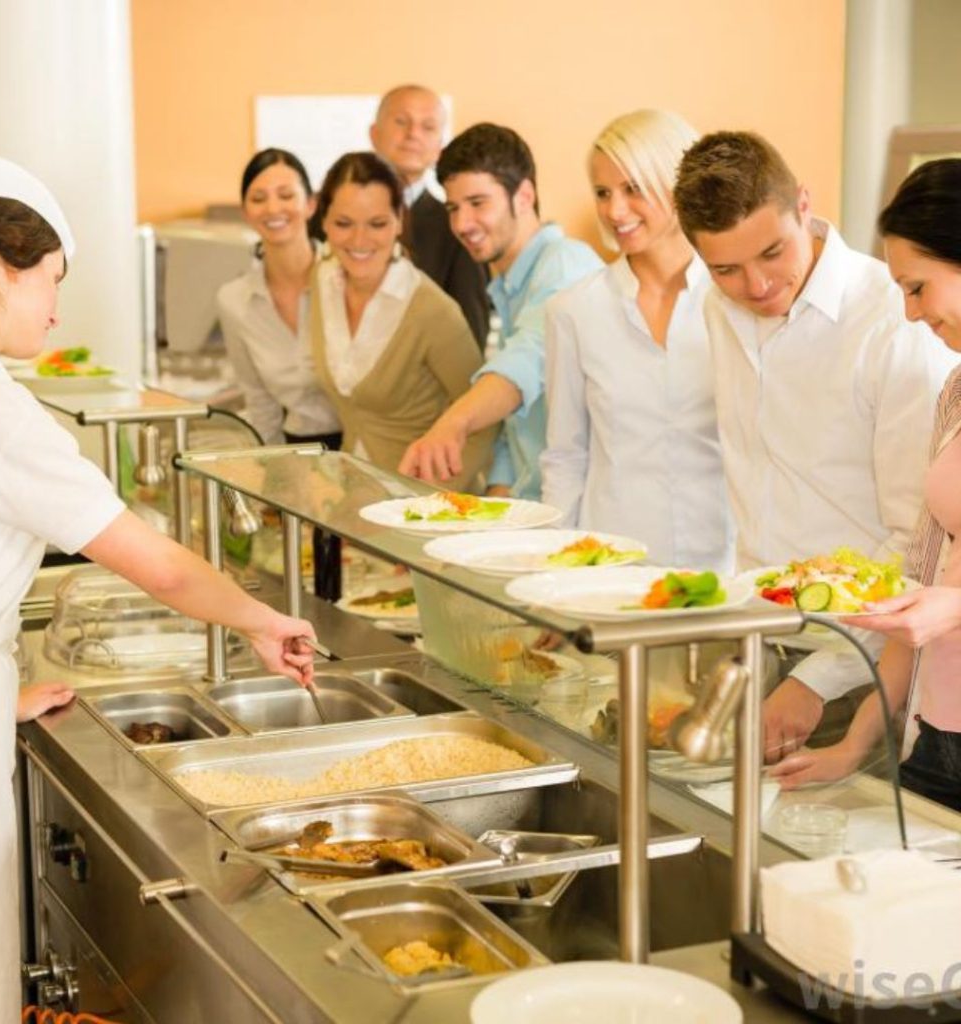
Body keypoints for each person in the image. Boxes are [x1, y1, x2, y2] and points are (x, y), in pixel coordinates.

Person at [0, 155, 317, 1024]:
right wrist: (265, 622)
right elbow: (159, 564)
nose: (57, 306)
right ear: (2, 266)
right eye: (53, 280)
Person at [672, 131, 956, 762]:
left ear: (804, 204)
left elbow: (918, 538)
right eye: (725, 269)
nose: (756, 284)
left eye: (772, 252)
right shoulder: (719, 311)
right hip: (758, 640)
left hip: (858, 667)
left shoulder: (899, 320)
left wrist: (817, 678)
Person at [771, 158, 961, 809]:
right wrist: (855, 745)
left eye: (918, 288)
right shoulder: (956, 392)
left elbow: (944, 601)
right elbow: (924, 575)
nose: (909, 315)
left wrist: (953, 606)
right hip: (940, 734)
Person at [541, 110, 734, 570]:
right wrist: (551, 574)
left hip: (729, 568)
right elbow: (565, 457)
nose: (614, 211)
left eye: (633, 189)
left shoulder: (735, 302)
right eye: (603, 193)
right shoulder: (574, 311)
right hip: (613, 570)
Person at [398, 123, 602, 498]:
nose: (461, 224)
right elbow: (519, 429)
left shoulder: (565, 264)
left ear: (524, 196)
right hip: (537, 512)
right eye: (453, 208)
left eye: (478, 203)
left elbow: (528, 360)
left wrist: (452, 424)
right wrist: (490, 516)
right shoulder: (510, 285)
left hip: (581, 518)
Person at [309, 151, 494, 487]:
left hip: (422, 507)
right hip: (354, 498)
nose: (359, 240)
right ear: (322, 221)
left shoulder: (430, 309)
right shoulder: (321, 283)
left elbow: (485, 423)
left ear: (398, 220)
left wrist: (431, 505)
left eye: (376, 224)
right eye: (343, 223)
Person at [217, 148, 340, 450]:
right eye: (258, 199)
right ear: (245, 212)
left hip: (368, 446)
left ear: (311, 204)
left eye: (286, 195)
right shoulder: (233, 300)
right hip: (295, 450)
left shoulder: (344, 277)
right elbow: (261, 405)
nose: (273, 208)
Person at [370, 84, 489, 349]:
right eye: (401, 121)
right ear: (374, 134)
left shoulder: (458, 227)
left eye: (428, 127)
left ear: (439, 148)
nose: (413, 134)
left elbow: (470, 334)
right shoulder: (333, 217)